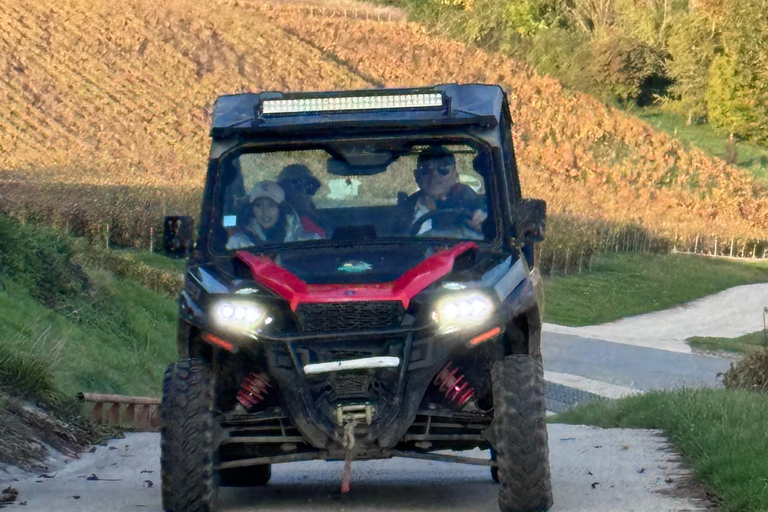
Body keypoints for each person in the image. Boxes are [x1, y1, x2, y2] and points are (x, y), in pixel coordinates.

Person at [400, 147, 488, 236]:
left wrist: (482, 221)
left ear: (455, 176)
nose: (434, 174)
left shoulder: (470, 205)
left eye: (443, 168)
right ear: (417, 175)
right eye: (426, 169)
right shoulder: (401, 212)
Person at [226, 181, 318, 250]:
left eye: (271, 205)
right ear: (251, 210)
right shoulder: (237, 244)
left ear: (281, 209)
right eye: (258, 205)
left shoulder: (309, 242)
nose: (265, 211)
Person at [277, 164, 327, 237]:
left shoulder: (320, 217)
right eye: (295, 185)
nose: (303, 191)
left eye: (308, 184)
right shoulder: (280, 221)